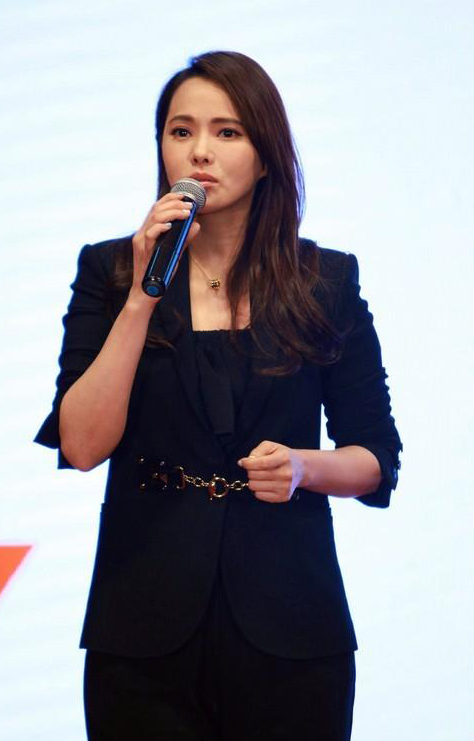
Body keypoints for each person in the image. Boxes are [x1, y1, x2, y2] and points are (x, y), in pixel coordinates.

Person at [35, 50, 402, 741]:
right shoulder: (109, 271)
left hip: (291, 624)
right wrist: (141, 298)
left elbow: (376, 458)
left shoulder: (324, 281)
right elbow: (81, 445)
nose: (199, 151)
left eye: (226, 132)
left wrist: (302, 468)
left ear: (265, 157)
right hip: (143, 627)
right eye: (181, 131)